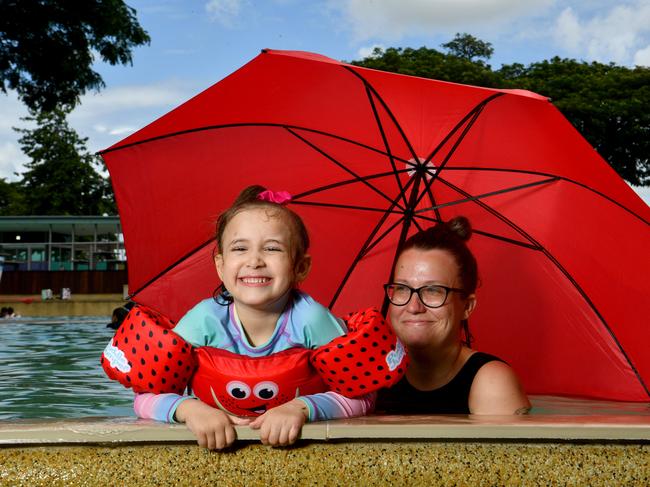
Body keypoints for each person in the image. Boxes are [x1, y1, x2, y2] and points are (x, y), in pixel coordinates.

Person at [133, 185, 374, 449]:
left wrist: (302, 408)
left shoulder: (312, 320)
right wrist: (190, 411)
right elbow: (144, 398)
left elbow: (362, 397)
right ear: (221, 267)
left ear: (300, 267)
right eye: (240, 249)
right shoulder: (203, 321)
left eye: (272, 249)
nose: (255, 261)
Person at [375, 216, 530, 415]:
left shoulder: (491, 382)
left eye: (433, 290)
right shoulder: (374, 374)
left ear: (467, 306)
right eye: (403, 289)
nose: (414, 306)